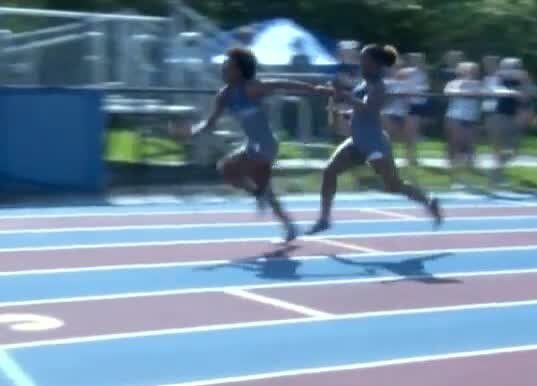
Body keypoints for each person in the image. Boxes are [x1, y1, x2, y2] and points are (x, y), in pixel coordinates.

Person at [192, 47, 329, 244]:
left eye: (227, 67)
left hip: (265, 145)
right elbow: (210, 123)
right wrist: (192, 131)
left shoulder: (250, 87)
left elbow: (282, 83)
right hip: (253, 145)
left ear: (239, 71)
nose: (222, 70)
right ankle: (288, 225)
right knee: (240, 177)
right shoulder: (223, 95)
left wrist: (314, 89)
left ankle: (261, 195)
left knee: (228, 167)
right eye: (223, 66)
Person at [307, 44, 443, 235]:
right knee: (329, 172)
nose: (360, 63)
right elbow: (356, 108)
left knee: (393, 185)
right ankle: (324, 219)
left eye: (364, 60)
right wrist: (338, 104)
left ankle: (429, 201)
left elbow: (369, 109)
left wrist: (344, 96)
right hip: (357, 141)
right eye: (360, 59)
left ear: (375, 64)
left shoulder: (379, 86)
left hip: (374, 143)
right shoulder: (363, 84)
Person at [443, 61, 484, 181]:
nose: (471, 73)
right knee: (455, 142)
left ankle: (470, 169)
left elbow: (481, 93)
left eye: (473, 70)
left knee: (470, 144)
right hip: (455, 116)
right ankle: (453, 168)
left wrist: (468, 92)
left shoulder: (479, 84)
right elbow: (448, 93)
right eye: (468, 70)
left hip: (471, 118)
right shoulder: (453, 83)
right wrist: (465, 91)